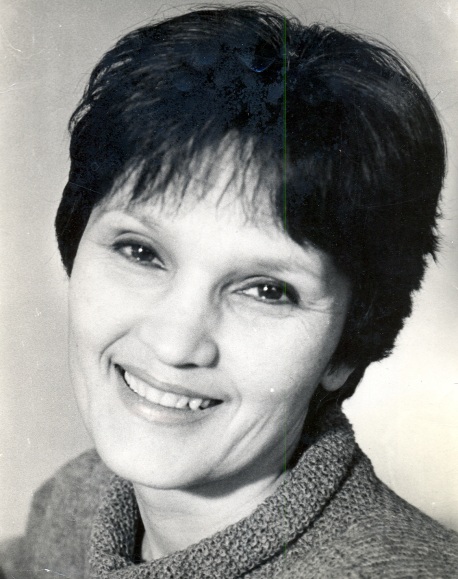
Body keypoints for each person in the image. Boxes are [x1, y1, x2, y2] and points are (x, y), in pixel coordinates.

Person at [1, 5, 457, 578]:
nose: (175, 344)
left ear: (347, 346)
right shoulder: (76, 504)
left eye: (267, 290)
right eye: (140, 252)